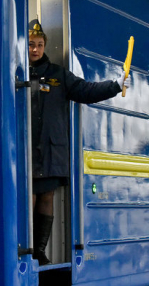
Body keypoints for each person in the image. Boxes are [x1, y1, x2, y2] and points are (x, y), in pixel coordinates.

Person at [28, 20, 129, 265]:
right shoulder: (16, 71)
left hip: (51, 148)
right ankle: (25, 247)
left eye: (40, 45)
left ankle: (39, 250)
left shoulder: (58, 74)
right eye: (31, 44)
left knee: (46, 196)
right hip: (25, 147)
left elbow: (86, 91)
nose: (35, 49)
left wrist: (115, 85)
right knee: (27, 195)